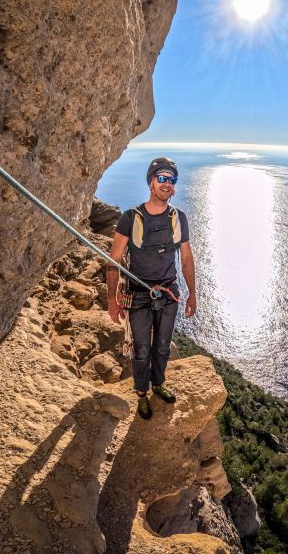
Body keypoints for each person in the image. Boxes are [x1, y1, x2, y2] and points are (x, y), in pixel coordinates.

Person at [106, 156, 196, 420]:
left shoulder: (178, 218)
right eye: (162, 178)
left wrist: (192, 293)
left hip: (168, 292)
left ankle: (158, 384)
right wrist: (112, 300)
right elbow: (114, 261)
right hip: (139, 294)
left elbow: (187, 257)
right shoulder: (130, 218)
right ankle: (142, 394)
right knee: (142, 349)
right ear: (151, 183)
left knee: (163, 346)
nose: (168, 184)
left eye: (172, 180)